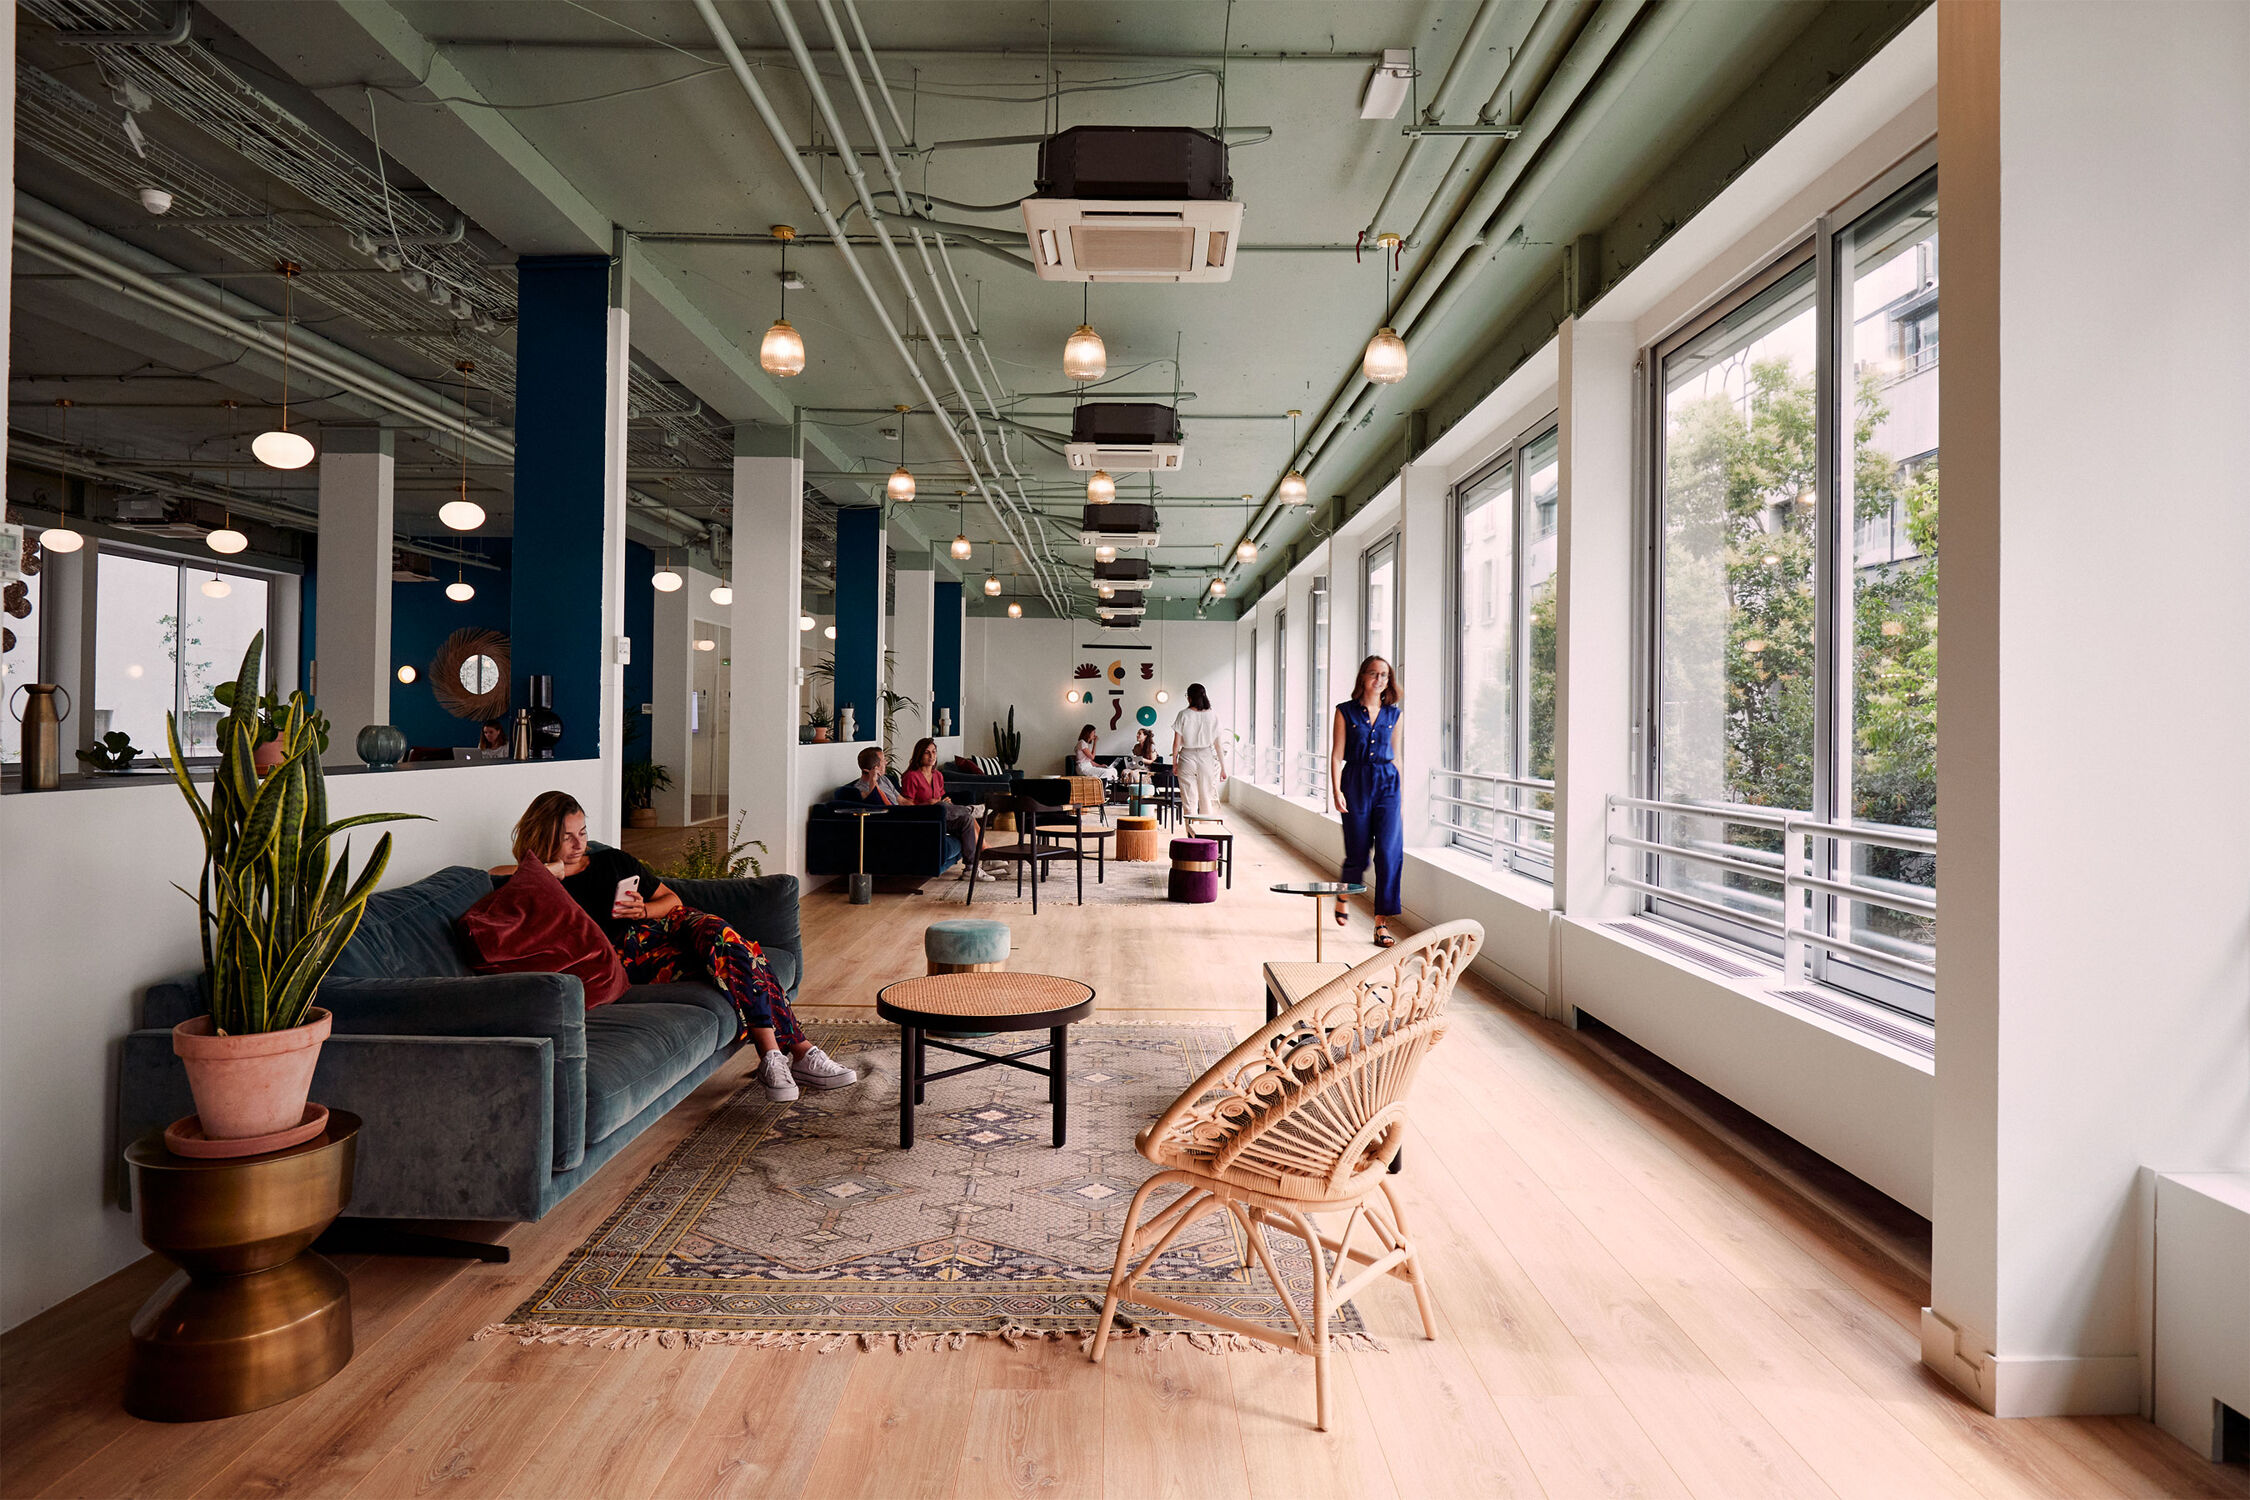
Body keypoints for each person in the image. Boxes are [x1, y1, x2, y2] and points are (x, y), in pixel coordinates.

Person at [491, 791, 857, 1103]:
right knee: (744, 957)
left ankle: (772, 1054)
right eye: (567, 837)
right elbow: (495, 874)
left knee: (721, 934)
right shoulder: (533, 880)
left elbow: (672, 900)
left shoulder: (612, 861)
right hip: (631, 958)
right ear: (544, 835)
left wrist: (644, 908)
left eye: (583, 832)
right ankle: (798, 1051)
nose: (579, 844)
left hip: (668, 928)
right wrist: (550, 872)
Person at [1330, 656, 1403, 948]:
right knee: (1358, 850)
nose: (1379, 679)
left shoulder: (1394, 715)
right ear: (1362, 677)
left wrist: (1400, 792)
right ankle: (1344, 893)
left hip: (1388, 785)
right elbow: (1337, 755)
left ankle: (1381, 923)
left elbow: (1396, 756)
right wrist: (1336, 791)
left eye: (1384, 675)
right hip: (1356, 781)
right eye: (1373, 673)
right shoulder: (1344, 712)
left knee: (1388, 852)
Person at [898, 736, 985, 878]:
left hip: (942, 815)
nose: (931, 756)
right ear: (919, 755)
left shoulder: (937, 775)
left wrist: (945, 800)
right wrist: (928, 804)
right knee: (946, 808)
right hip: (925, 818)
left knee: (966, 820)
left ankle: (970, 868)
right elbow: (907, 805)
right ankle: (969, 809)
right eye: (927, 752)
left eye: (934, 751)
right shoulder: (911, 776)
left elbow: (941, 797)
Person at [1170, 683, 1227, 816]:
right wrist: (1223, 768)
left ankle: (1191, 834)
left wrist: (1174, 762)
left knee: (1189, 800)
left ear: (1189, 697)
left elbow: (1176, 743)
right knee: (1206, 797)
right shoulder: (1213, 715)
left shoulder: (1183, 714)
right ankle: (1204, 833)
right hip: (1206, 756)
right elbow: (1218, 744)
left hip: (1186, 756)